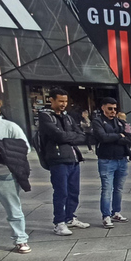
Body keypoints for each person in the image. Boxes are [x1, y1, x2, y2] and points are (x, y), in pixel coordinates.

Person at [38, 87, 90, 236]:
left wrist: (66, 136)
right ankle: (59, 223)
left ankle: (70, 217)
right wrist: (69, 136)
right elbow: (57, 136)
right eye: (60, 101)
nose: (63, 104)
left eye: (65, 101)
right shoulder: (46, 116)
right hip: (58, 159)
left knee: (74, 191)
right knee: (61, 192)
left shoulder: (68, 117)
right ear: (51, 100)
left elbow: (82, 136)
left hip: (73, 158)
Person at [0, 96, 31, 253]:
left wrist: (3, 149)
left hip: (4, 174)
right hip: (4, 174)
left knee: (13, 209)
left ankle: (21, 239)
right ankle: (20, 239)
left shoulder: (8, 126)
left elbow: (25, 148)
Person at [92, 97, 131, 229]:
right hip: (106, 160)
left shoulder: (120, 122)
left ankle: (116, 212)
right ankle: (106, 215)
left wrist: (114, 137)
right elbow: (102, 137)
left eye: (115, 109)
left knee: (119, 188)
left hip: (122, 159)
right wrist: (118, 136)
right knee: (107, 189)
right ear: (103, 107)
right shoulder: (98, 122)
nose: (113, 111)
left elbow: (129, 139)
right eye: (110, 108)